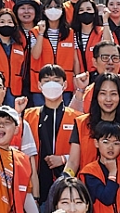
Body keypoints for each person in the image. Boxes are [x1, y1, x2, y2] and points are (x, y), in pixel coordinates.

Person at [25, 63, 82, 204]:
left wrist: (63, 158)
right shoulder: (28, 115)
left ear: (65, 85)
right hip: (37, 185)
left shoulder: (77, 117)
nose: (52, 85)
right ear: (39, 85)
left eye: (56, 81)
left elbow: (86, 152)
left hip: (67, 186)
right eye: (46, 81)